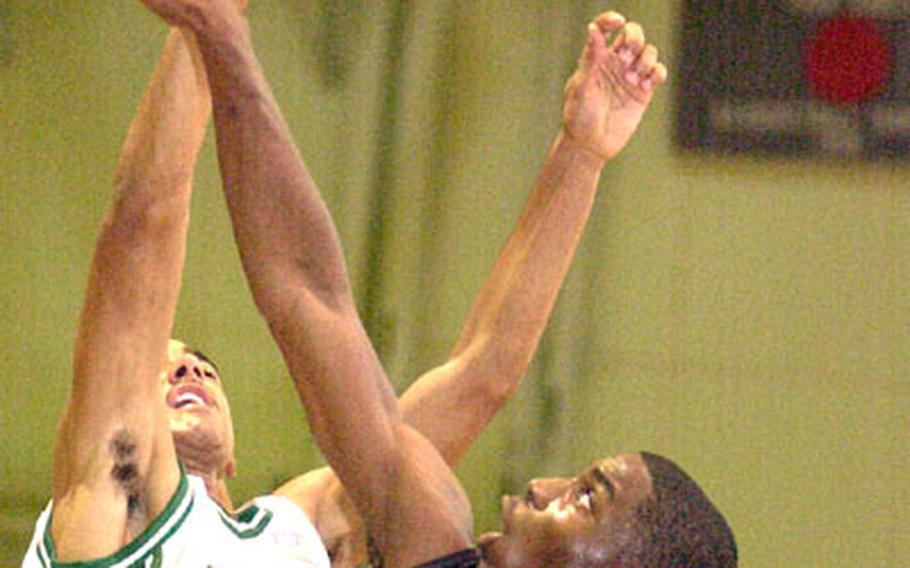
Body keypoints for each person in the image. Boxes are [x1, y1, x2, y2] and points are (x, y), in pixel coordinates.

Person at [139, 1, 736, 567]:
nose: (540, 486)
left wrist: (222, 37)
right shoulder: (348, 526)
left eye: (583, 498)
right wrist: (581, 153)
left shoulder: (412, 535)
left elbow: (305, 296)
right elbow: (485, 373)